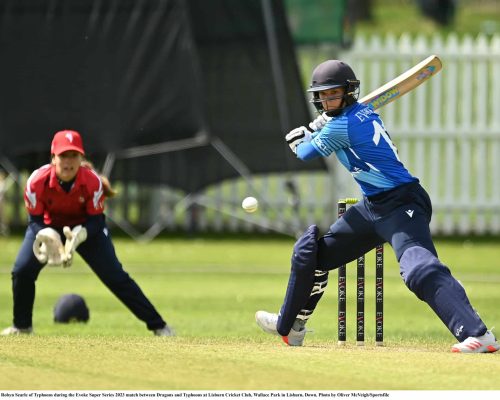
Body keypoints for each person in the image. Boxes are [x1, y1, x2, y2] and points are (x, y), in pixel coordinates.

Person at [255, 60, 499, 353]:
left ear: (348, 93)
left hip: (402, 203)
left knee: (418, 270)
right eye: (323, 95)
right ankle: (292, 325)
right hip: (373, 206)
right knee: (314, 256)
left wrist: (303, 137)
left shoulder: (341, 125)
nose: (327, 100)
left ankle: (479, 335)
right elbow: (334, 130)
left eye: (334, 94)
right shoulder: (353, 115)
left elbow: (305, 153)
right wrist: (321, 127)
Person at [1, 130, 173, 336]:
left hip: (86, 228)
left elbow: (96, 220)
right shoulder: (36, 181)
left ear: (81, 157)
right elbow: (35, 220)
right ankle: (22, 327)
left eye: (74, 155)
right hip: (48, 228)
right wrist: (49, 237)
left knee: (115, 276)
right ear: (53, 158)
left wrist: (79, 236)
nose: (68, 161)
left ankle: (160, 327)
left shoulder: (93, 182)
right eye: (63, 155)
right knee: (22, 271)